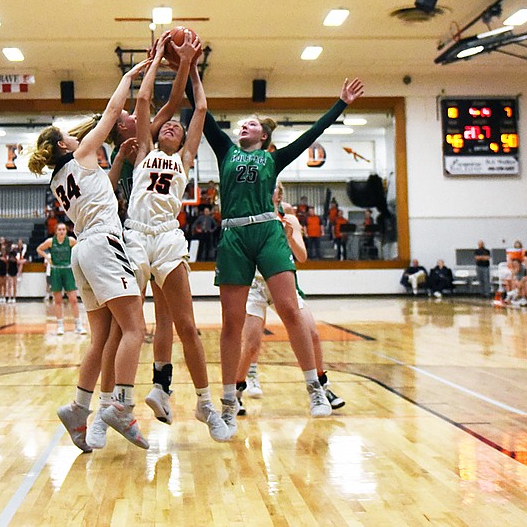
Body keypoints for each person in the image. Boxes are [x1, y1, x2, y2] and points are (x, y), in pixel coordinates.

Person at [201, 76, 364, 426]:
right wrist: (187, 68)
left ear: (264, 138)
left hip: (266, 231)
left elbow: (311, 135)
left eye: (254, 124)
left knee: (290, 310)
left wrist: (341, 104)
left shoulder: (272, 160)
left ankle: (315, 388)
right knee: (232, 325)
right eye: (243, 123)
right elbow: (202, 112)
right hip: (233, 235)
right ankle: (229, 402)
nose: (245, 124)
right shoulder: (225, 151)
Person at [86, 47, 229, 445]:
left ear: (185, 140)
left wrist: (193, 69)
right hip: (134, 235)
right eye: (165, 127)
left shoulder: (184, 158)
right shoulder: (142, 151)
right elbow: (146, 100)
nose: (171, 128)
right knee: (122, 327)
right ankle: (110, 409)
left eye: (177, 129)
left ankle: (205, 405)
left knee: (187, 325)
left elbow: (198, 109)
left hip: (167, 235)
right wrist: (153, 70)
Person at [29, 59, 150, 452]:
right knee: (135, 329)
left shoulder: (59, 179)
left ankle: (79, 407)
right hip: (103, 244)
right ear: (66, 145)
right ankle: (121, 405)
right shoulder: (81, 153)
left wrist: (115, 162)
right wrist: (128, 78)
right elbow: (114, 112)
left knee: (100, 340)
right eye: (68, 134)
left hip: (84, 250)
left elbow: (100, 189)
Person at [237, 184, 345, 417]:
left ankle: (322, 386)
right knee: (252, 343)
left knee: (313, 334)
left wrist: (289, 238)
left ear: (279, 193)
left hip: (282, 281)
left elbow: (302, 256)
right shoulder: (249, 215)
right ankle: (236, 391)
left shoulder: (289, 219)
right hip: (255, 284)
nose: (268, 190)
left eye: (273, 188)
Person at [37, 223, 83, 334]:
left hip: (68, 270)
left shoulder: (71, 240)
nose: (62, 231)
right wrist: (48, 257)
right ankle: (60, 326)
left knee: (73, 299)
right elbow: (39, 249)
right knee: (58, 300)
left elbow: (80, 248)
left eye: (63, 229)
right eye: (59, 229)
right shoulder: (51, 242)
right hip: (56, 271)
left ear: (66, 231)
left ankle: (78, 325)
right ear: (56, 231)